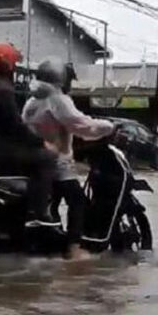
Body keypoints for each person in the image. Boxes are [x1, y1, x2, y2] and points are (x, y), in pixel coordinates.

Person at [22, 58, 114, 259]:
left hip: (36, 161)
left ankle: (52, 241)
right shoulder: (57, 100)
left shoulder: (32, 101)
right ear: (60, 79)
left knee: (53, 203)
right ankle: (73, 247)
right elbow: (81, 125)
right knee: (78, 201)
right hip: (57, 163)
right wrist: (109, 126)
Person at [0, 43, 58, 227]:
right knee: (47, 159)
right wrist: (40, 142)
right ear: (5, 64)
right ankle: (36, 213)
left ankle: (17, 207)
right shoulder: (1, 89)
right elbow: (14, 126)